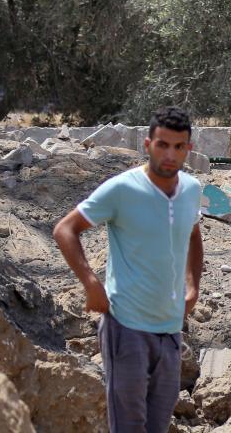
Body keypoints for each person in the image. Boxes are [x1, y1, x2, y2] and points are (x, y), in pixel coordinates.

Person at [53, 106, 203, 433]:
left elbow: (193, 235)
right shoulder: (122, 189)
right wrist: (91, 284)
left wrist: (193, 289)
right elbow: (65, 229)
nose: (170, 155)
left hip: (170, 332)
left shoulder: (192, 190)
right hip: (126, 328)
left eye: (178, 146)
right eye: (162, 145)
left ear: (188, 149)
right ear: (148, 145)